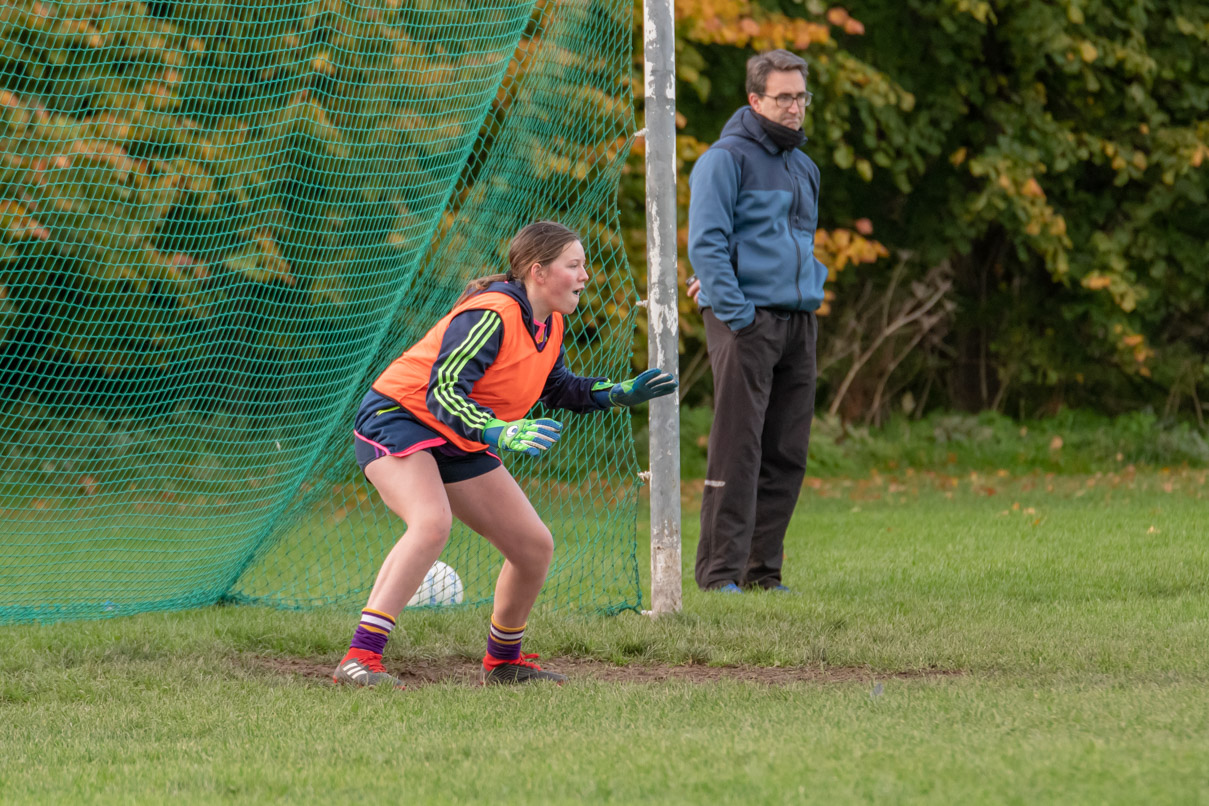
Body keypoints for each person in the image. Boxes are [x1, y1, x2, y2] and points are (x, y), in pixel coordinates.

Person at [334, 220, 677, 687]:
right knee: (432, 523)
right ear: (538, 271)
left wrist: (613, 393)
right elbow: (444, 392)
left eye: (583, 266)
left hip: (462, 432)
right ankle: (359, 659)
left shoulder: (548, 322)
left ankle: (503, 663)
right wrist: (498, 431)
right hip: (400, 417)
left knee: (533, 546)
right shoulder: (490, 315)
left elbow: (556, 387)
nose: (585, 276)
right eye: (573, 265)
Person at [686, 49, 825, 594]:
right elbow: (708, 244)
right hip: (745, 322)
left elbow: (796, 243)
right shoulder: (725, 159)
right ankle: (720, 574)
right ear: (755, 100)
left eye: (801, 96)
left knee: (787, 452)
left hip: (799, 324)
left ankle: (763, 574)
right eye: (783, 97)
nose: (795, 108)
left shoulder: (804, 166)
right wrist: (739, 315)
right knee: (738, 448)